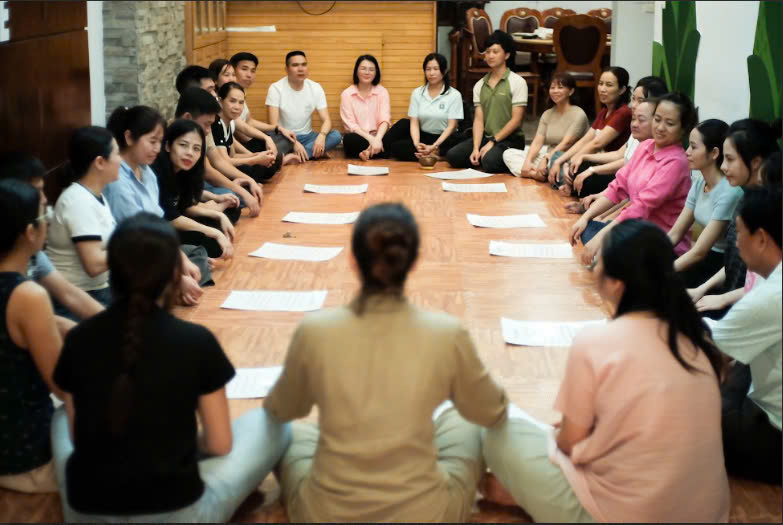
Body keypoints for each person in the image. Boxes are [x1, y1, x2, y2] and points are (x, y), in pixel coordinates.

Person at [265, 203, 508, 522]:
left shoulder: (315, 330)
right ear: (414, 262)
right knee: (464, 423)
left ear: (352, 260)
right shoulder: (446, 333)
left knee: (293, 433)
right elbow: (492, 411)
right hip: (427, 513)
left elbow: (281, 409)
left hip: (326, 512)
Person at [50, 212, 291, 522]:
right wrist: (180, 448)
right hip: (181, 513)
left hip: (86, 513)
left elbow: (78, 437)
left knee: (60, 414)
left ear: (114, 272)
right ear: (175, 274)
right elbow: (219, 444)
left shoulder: (78, 338)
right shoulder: (195, 340)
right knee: (274, 423)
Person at [484, 219, 730, 522]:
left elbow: (569, 443)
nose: (594, 267)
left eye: (600, 262)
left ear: (616, 283)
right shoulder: (698, 338)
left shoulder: (595, 342)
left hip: (621, 513)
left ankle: (523, 494)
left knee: (495, 429)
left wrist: (561, 437)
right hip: (705, 511)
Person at [104, 105, 216, 305]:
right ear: (129, 138)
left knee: (195, 255)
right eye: (152, 141)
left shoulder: (147, 172)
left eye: (159, 142)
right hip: (132, 257)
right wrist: (176, 275)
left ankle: (173, 287)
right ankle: (169, 289)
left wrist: (181, 261)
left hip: (153, 248)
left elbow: (159, 224)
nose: (157, 148)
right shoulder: (117, 180)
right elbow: (137, 241)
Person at [707, 186, 782, 484]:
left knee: (681, 419)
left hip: (774, 432)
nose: (736, 243)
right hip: (762, 391)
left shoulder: (769, 296)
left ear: (761, 238)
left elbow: (706, 357)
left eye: (739, 234)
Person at [570, 92, 697, 265]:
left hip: (657, 245)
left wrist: (601, 237)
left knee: (600, 241)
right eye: (657, 119)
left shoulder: (676, 163)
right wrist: (585, 217)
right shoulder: (645, 146)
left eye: (670, 123)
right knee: (586, 229)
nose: (660, 127)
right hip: (633, 233)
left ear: (683, 129)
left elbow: (641, 208)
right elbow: (617, 187)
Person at [0, 179, 65, 494]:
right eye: (45, 214)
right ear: (29, 232)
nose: (48, 221)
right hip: (26, 458)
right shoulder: (28, 295)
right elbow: (63, 385)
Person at [688, 119, 781, 317]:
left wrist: (722, 299)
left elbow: (769, 284)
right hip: (733, 298)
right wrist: (702, 289)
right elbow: (735, 262)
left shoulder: (771, 210)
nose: (723, 166)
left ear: (755, 162)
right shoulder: (746, 197)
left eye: (730, 159)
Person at [0, 152, 104, 329]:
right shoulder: (27, 291)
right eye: (36, 191)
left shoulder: (31, 251)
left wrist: (115, 324)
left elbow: (68, 293)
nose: (44, 199)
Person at [564, 75, 667, 209]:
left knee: (586, 178)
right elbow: (619, 154)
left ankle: (588, 202)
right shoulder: (628, 122)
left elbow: (623, 163)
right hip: (622, 180)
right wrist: (583, 157)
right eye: (633, 99)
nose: (634, 105)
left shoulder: (646, 132)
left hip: (623, 182)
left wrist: (592, 169)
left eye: (641, 100)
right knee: (578, 168)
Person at [45, 126, 120, 307]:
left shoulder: (94, 195)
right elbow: (94, 265)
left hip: (98, 290)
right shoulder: (78, 201)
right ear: (100, 162)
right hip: (75, 299)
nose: (121, 160)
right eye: (117, 154)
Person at [668, 119, 742, 288]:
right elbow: (675, 234)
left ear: (714, 153)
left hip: (719, 266)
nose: (687, 152)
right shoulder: (700, 183)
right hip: (699, 257)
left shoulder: (729, 192)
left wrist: (662, 271)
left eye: (693, 147)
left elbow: (699, 252)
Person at [151, 119, 234, 260]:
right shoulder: (157, 172)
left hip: (174, 220)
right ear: (168, 146)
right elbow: (171, 217)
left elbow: (185, 206)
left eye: (196, 148)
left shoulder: (186, 171)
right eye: (183, 145)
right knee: (213, 242)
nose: (190, 153)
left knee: (227, 215)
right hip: (158, 230)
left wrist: (219, 215)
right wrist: (215, 232)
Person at [446, 30, 527, 173]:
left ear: (506, 55)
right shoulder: (479, 85)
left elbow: (516, 121)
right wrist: (476, 148)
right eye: (488, 52)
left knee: (489, 162)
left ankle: (494, 156)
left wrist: (493, 142)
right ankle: (485, 155)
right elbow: (478, 119)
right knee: (453, 156)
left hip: (510, 139)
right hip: (487, 137)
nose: (490, 56)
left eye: (495, 52)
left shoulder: (517, 82)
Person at [175, 87, 264, 215]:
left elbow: (216, 164)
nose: (208, 131)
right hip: (187, 196)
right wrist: (208, 207)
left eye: (241, 102)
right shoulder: (174, 139)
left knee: (235, 198)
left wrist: (248, 181)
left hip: (192, 191)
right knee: (233, 200)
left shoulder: (202, 132)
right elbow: (206, 173)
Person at [548, 66, 633, 195]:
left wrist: (570, 163)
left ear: (622, 89)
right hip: (594, 161)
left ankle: (566, 183)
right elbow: (585, 140)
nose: (602, 89)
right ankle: (566, 182)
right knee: (557, 156)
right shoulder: (604, 111)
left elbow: (596, 144)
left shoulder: (624, 113)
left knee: (573, 168)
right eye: (601, 83)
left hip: (607, 167)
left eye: (609, 85)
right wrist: (560, 162)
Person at [502, 72, 588, 180]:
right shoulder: (547, 114)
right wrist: (528, 161)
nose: (555, 91)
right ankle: (535, 174)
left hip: (565, 158)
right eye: (552, 87)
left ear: (571, 91)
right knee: (508, 153)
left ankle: (537, 173)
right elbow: (537, 141)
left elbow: (566, 144)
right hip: (548, 154)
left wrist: (546, 159)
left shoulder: (579, 114)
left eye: (560, 87)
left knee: (554, 164)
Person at [383, 53, 464, 162]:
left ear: (444, 71)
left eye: (436, 69)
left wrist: (435, 146)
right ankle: (428, 154)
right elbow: (414, 123)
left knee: (459, 144)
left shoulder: (454, 95)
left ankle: (438, 154)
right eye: (428, 69)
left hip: (445, 139)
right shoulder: (417, 93)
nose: (431, 73)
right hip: (424, 137)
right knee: (398, 142)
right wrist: (417, 144)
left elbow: (452, 126)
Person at [266, 50, 342, 163]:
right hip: (284, 137)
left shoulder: (315, 87)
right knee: (270, 142)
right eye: (295, 65)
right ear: (287, 69)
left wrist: (321, 136)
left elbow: (326, 120)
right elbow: (274, 124)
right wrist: (294, 143)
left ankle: (294, 157)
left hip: (307, 137)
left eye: (304, 64)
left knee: (336, 136)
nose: (301, 69)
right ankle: (310, 153)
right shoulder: (276, 88)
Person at [230, 51, 293, 165]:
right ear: (233, 70)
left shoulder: (241, 91)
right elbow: (242, 132)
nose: (249, 75)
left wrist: (277, 128)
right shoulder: (230, 95)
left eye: (252, 71)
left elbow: (249, 121)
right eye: (244, 69)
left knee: (286, 138)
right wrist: (265, 139)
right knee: (280, 142)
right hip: (243, 145)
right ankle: (277, 160)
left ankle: (276, 159)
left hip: (251, 139)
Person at [213, 82, 280, 183]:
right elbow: (225, 162)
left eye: (241, 102)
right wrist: (255, 160)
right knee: (261, 169)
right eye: (232, 101)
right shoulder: (216, 123)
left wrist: (258, 155)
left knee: (273, 160)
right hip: (220, 173)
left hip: (229, 165)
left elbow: (233, 155)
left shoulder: (229, 122)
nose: (237, 107)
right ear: (220, 102)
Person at [339, 54, 392, 160]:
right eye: (363, 68)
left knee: (402, 124)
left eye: (371, 69)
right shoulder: (347, 94)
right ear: (356, 71)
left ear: (376, 73)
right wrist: (371, 140)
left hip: (379, 136)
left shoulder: (382, 92)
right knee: (349, 139)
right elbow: (350, 124)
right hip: (359, 137)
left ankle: (366, 152)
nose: (367, 72)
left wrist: (377, 139)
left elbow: (385, 119)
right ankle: (378, 152)